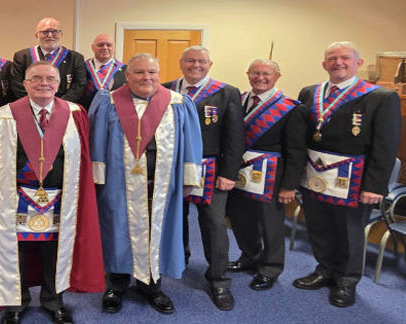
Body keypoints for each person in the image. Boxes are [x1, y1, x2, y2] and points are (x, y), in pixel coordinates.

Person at [0, 61, 104, 324]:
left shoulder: (76, 113)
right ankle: (15, 303)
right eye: (37, 79)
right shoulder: (3, 116)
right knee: (14, 250)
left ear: (58, 84)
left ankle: (53, 300)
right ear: (26, 84)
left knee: (54, 250)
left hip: (61, 197)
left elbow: (85, 157)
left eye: (50, 79)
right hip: (15, 196)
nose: (44, 83)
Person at [88, 53, 203, 315]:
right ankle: (116, 285)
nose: (146, 77)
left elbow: (192, 144)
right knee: (117, 229)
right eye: (139, 72)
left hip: (163, 183)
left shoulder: (178, 103)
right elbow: (96, 139)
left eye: (152, 72)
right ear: (127, 76)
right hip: (118, 183)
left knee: (158, 231)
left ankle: (151, 286)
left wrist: (189, 179)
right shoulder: (109, 101)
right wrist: (97, 177)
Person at [292, 41, 399, 308]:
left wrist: (375, 186)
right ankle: (324, 269)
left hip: (353, 178)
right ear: (324, 64)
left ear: (358, 64)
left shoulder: (379, 97)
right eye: (332, 58)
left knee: (349, 232)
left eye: (345, 58)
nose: (338, 63)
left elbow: (385, 146)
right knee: (317, 226)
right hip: (314, 172)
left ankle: (347, 281)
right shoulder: (309, 93)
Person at [164, 45, 244, 311]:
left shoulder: (227, 92)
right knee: (175, 220)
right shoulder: (166, 88)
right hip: (173, 168)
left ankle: (219, 280)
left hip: (211, 169)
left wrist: (228, 174)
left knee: (214, 226)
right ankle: (179, 261)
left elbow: (235, 138)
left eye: (201, 61)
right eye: (190, 60)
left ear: (210, 64)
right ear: (181, 63)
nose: (195, 65)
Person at [227, 59, 305, 293]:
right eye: (255, 73)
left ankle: (270, 268)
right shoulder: (236, 100)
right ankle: (249, 256)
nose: (260, 78)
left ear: (277, 77)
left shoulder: (292, 107)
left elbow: (296, 150)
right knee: (241, 220)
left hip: (271, 177)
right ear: (248, 74)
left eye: (266, 74)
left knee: (270, 225)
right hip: (239, 173)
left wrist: (289, 186)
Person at [1, 17, 89, 105]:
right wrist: (35, 104)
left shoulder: (75, 58)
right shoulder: (22, 56)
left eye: (54, 32)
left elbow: (79, 85)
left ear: (61, 34)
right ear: (36, 35)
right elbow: (17, 84)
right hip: (30, 108)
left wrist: (58, 105)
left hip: (64, 108)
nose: (50, 35)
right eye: (45, 32)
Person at [79, 34, 126, 109]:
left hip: (114, 116)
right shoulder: (81, 67)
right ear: (93, 47)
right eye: (100, 45)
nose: (105, 47)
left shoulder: (126, 70)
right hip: (86, 114)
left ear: (114, 48)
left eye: (109, 45)